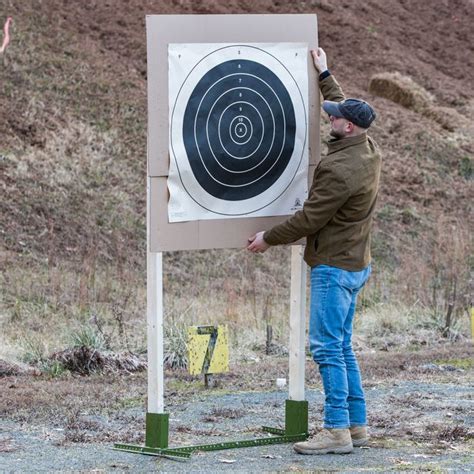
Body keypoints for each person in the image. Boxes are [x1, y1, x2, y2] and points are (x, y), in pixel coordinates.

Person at [247, 47, 381, 455]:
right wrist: (325, 73)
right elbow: (344, 107)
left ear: (350, 128)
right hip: (355, 264)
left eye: (335, 117)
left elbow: (308, 220)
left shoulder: (341, 171)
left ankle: (336, 430)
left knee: (326, 349)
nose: (330, 118)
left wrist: (268, 238)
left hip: (334, 268)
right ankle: (356, 426)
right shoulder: (366, 147)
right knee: (340, 346)